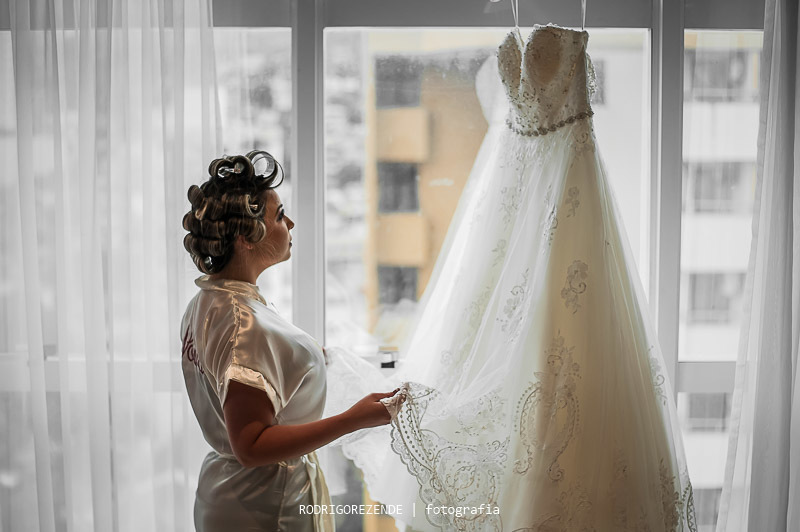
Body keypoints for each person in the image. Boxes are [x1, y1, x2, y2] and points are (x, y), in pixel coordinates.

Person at [179, 150, 402, 532]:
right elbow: (251, 446)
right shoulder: (242, 325)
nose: (291, 222)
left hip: (233, 495)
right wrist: (353, 419)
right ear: (247, 239)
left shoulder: (208, 301)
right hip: (266, 506)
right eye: (280, 215)